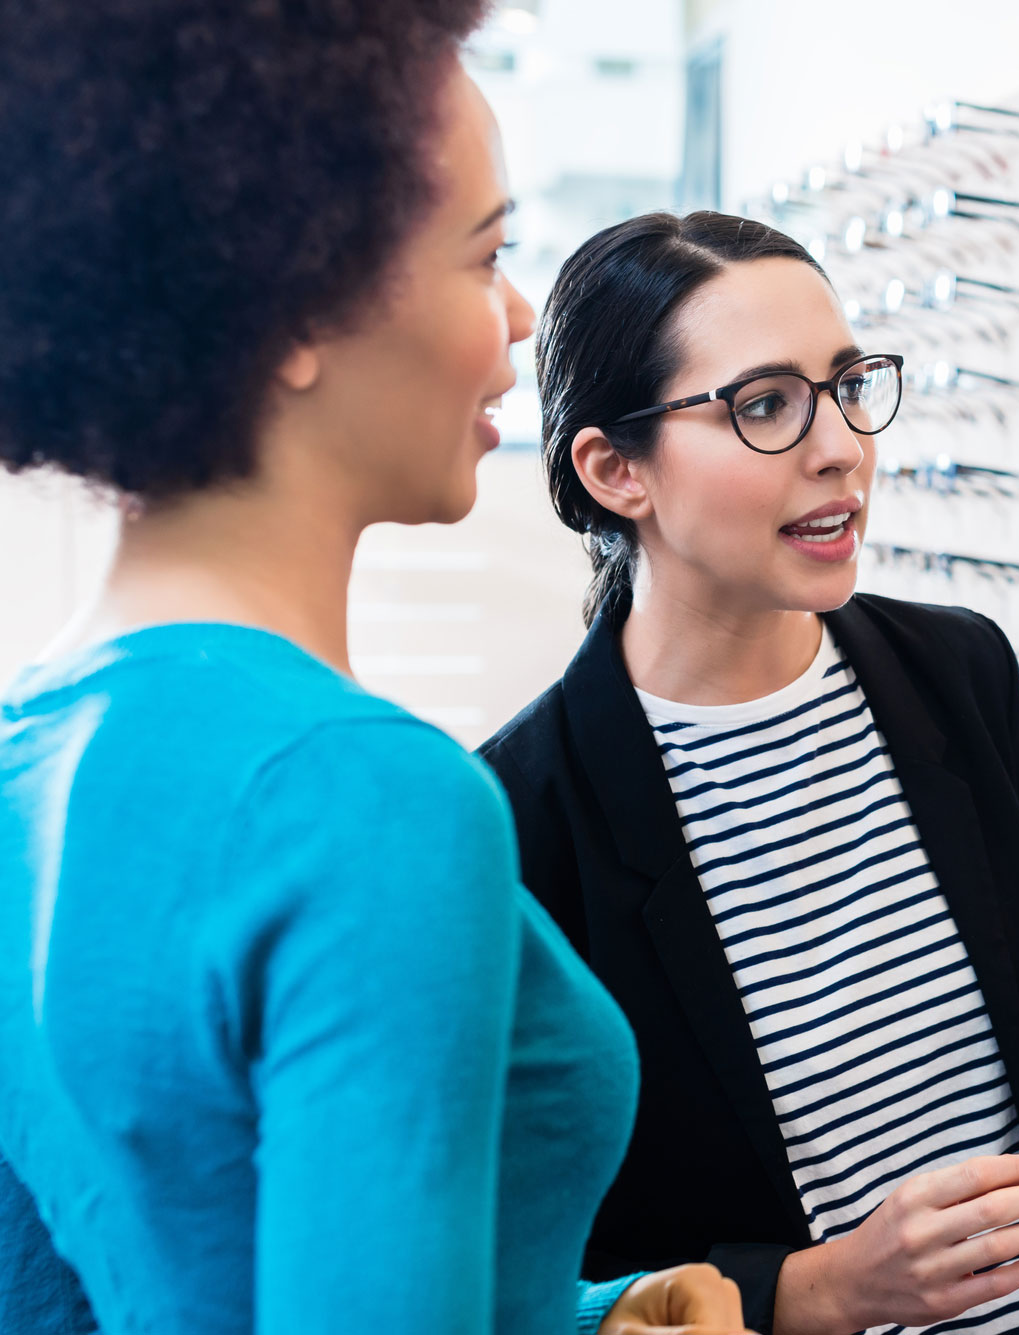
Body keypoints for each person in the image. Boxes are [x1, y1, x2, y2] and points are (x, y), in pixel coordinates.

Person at [0, 10, 749, 1335]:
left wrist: (580, 1316)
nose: (517, 316)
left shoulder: (29, 747)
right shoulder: (367, 798)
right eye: (485, 256)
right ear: (294, 303)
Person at [479, 211, 1019, 1335]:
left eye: (849, 385)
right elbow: (529, 1270)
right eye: (766, 405)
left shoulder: (956, 672)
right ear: (617, 469)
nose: (841, 447)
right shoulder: (518, 823)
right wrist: (819, 1292)